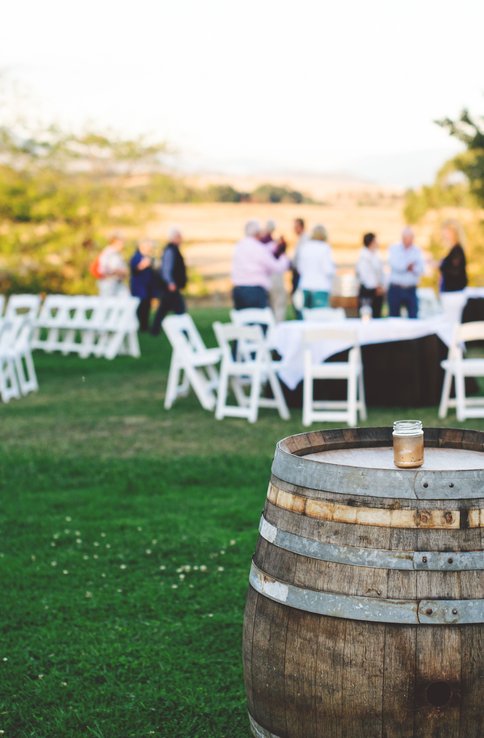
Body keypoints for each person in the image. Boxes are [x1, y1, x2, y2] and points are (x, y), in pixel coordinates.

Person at [231, 220, 290, 310]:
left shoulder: (238, 246)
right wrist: (283, 256)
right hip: (255, 291)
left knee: (243, 320)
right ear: (257, 233)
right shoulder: (258, 248)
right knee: (259, 320)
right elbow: (275, 267)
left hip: (238, 290)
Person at [150, 228, 187, 336]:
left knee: (164, 309)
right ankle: (183, 329)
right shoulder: (170, 250)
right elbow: (166, 268)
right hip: (170, 286)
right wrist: (170, 282)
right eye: (179, 237)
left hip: (172, 286)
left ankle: (155, 329)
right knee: (179, 308)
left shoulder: (174, 250)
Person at [387, 227, 425, 319]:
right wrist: (407, 266)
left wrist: (410, 267)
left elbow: (421, 269)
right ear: (403, 238)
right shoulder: (394, 249)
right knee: (394, 317)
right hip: (396, 288)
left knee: (413, 316)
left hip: (411, 289)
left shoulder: (417, 250)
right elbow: (395, 265)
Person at [296, 224, 335, 310]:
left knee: (304, 319)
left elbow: (300, 268)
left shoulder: (304, 247)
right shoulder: (325, 248)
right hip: (320, 287)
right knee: (319, 320)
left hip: (305, 286)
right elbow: (328, 270)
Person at [439, 219, 468, 323]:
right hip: (451, 294)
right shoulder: (454, 250)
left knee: (452, 325)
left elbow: (455, 270)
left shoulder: (457, 251)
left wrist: (441, 266)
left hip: (454, 294)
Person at [260, 219, 288, 322]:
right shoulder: (273, 245)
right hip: (274, 277)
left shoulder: (260, 244)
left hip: (265, 278)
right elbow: (280, 263)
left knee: (270, 304)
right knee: (279, 303)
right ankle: (278, 326)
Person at [356, 232, 385, 318]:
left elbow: (380, 272)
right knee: (366, 315)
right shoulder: (363, 257)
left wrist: (381, 285)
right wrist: (375, 286)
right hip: (368, 291)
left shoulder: (376, 255)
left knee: (377, 316)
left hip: (377, 290)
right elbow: (364, 275)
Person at [130, 239, 155, 332]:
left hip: (147, 287)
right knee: (140, 307)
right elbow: (135, 269)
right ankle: (139, 325)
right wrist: (143, 264)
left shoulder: (148, 257)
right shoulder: (136, 257)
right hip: (139, 287)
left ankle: (145, 325)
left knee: (146, 306)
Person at [97, 232, 129, 297]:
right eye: (121, 242)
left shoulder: (118, 254)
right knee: (108, 303)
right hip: (108, 283)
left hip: (118, 282)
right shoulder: (108, 253)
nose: (123, 244)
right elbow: (102, 269)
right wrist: (118, 271)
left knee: (126, 300)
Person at [291, 217, 308, 318]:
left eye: (296, 226)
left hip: (300, 274)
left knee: (298, 301)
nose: (294, 229)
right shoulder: (300, 239)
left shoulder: (305, 240)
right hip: (297, 272)